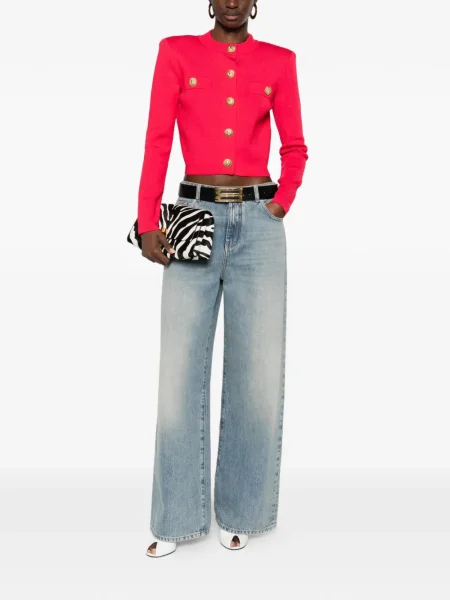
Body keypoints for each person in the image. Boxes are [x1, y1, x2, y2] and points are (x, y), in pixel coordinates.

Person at [137, 0, 308, 557]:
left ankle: (243, 510)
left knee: (257, 372)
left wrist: (281, 202)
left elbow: (295, 146)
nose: (232, 1)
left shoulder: (280, 61)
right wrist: (147, 221)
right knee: (179, 371)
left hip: (260, 225)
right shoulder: (176, 53)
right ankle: (176, 518)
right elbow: (158, 139)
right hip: (194, 216)